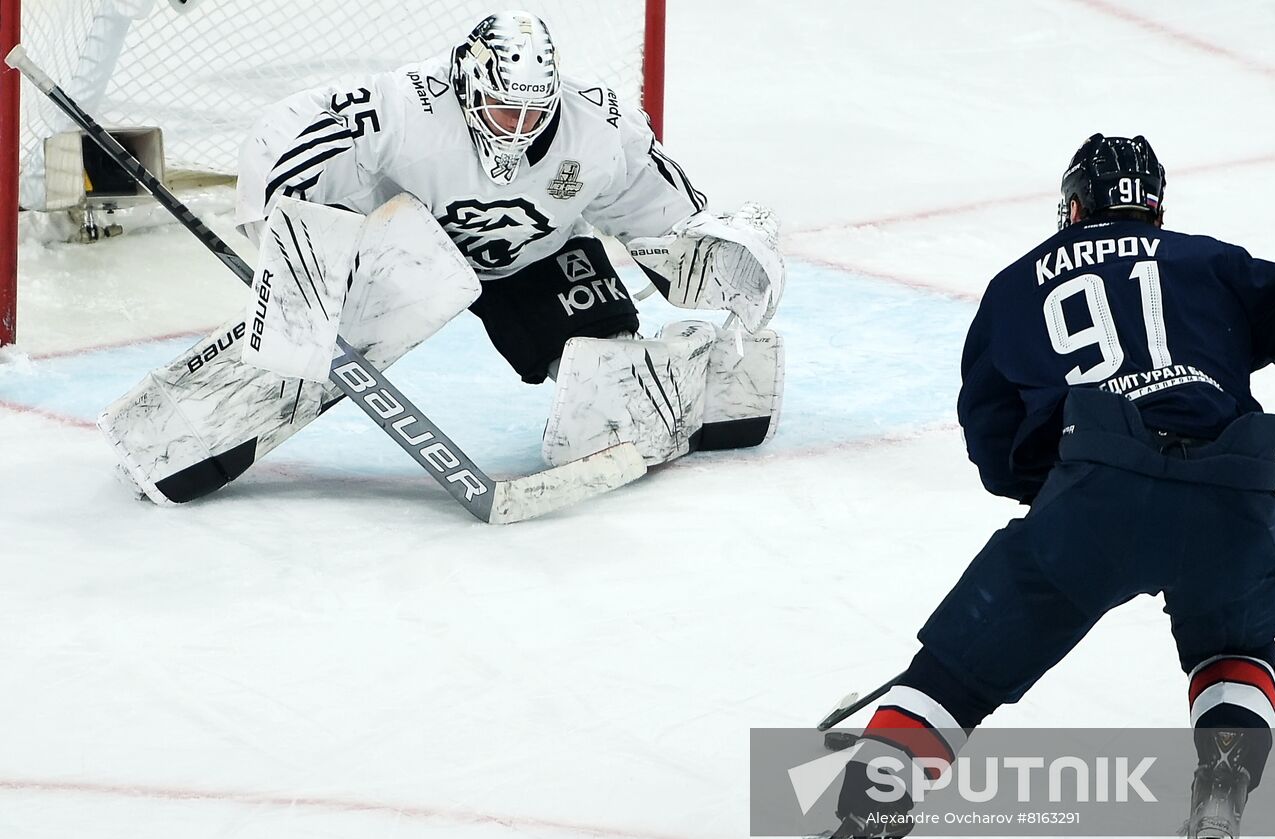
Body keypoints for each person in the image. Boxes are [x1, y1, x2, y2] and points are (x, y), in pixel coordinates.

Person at [771, 134, 1275, 839]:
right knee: (1233, 651)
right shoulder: (1207, 261)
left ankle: (854, 833)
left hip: (1094, 496)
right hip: (1233, 491)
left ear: (1075, 206)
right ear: (1153, 205)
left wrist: (1060, 487)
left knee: (956, 676)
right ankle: (1223, 786)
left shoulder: (1017, 284)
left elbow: (992, 443)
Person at [101, 10, 784, 506]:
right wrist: (295, 245)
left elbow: (661, 214)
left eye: (531, 113)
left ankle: (710, 377)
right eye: (500, 109)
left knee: (614, 401)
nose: (516, 128)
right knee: (299, 345)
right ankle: (179, 432)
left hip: (536, 257)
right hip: (409, 256)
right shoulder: (406, 105)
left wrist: (711, 260)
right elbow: (288, 134)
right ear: (465, 81)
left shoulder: (597, 128)